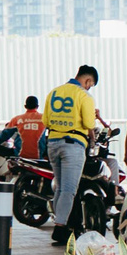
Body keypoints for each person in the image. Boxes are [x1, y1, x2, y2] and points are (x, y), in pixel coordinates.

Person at [43, 65, 99, 245]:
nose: (89, 88)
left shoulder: (54, 92)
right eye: (90, 85)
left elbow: (45, 120)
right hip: (73, 145)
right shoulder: (84, 96)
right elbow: (90, 122)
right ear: (88, 80)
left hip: (52, 143)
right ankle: (60, 229)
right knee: (68, 189)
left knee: (59, 187)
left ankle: (59, 222)